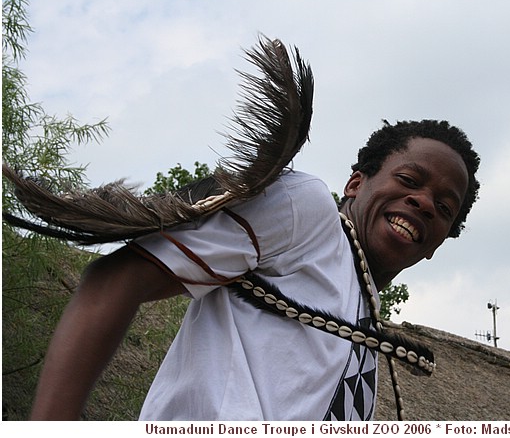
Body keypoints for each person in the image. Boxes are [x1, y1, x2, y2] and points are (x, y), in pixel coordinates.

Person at [29, 119, 480, 421]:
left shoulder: (364, 318)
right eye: (408, 180)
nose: (423, 202)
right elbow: (113, 279)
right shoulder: (309, 212)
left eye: (444, 207)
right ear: (356, 183)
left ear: (440, 241)